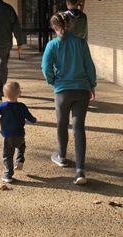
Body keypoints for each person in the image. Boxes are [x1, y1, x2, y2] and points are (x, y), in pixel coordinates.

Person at [41, 12, 96, 185]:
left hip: (62, 91)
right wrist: (92, 85)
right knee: (79, 127)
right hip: (81, 90)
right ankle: (80, 170)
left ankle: (62, 156)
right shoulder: (81, 43)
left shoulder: (52, 45)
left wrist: (53, 81)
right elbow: (89, 66)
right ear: (70, 25)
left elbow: (45, 67)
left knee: (62, 124)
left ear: (54, 27)